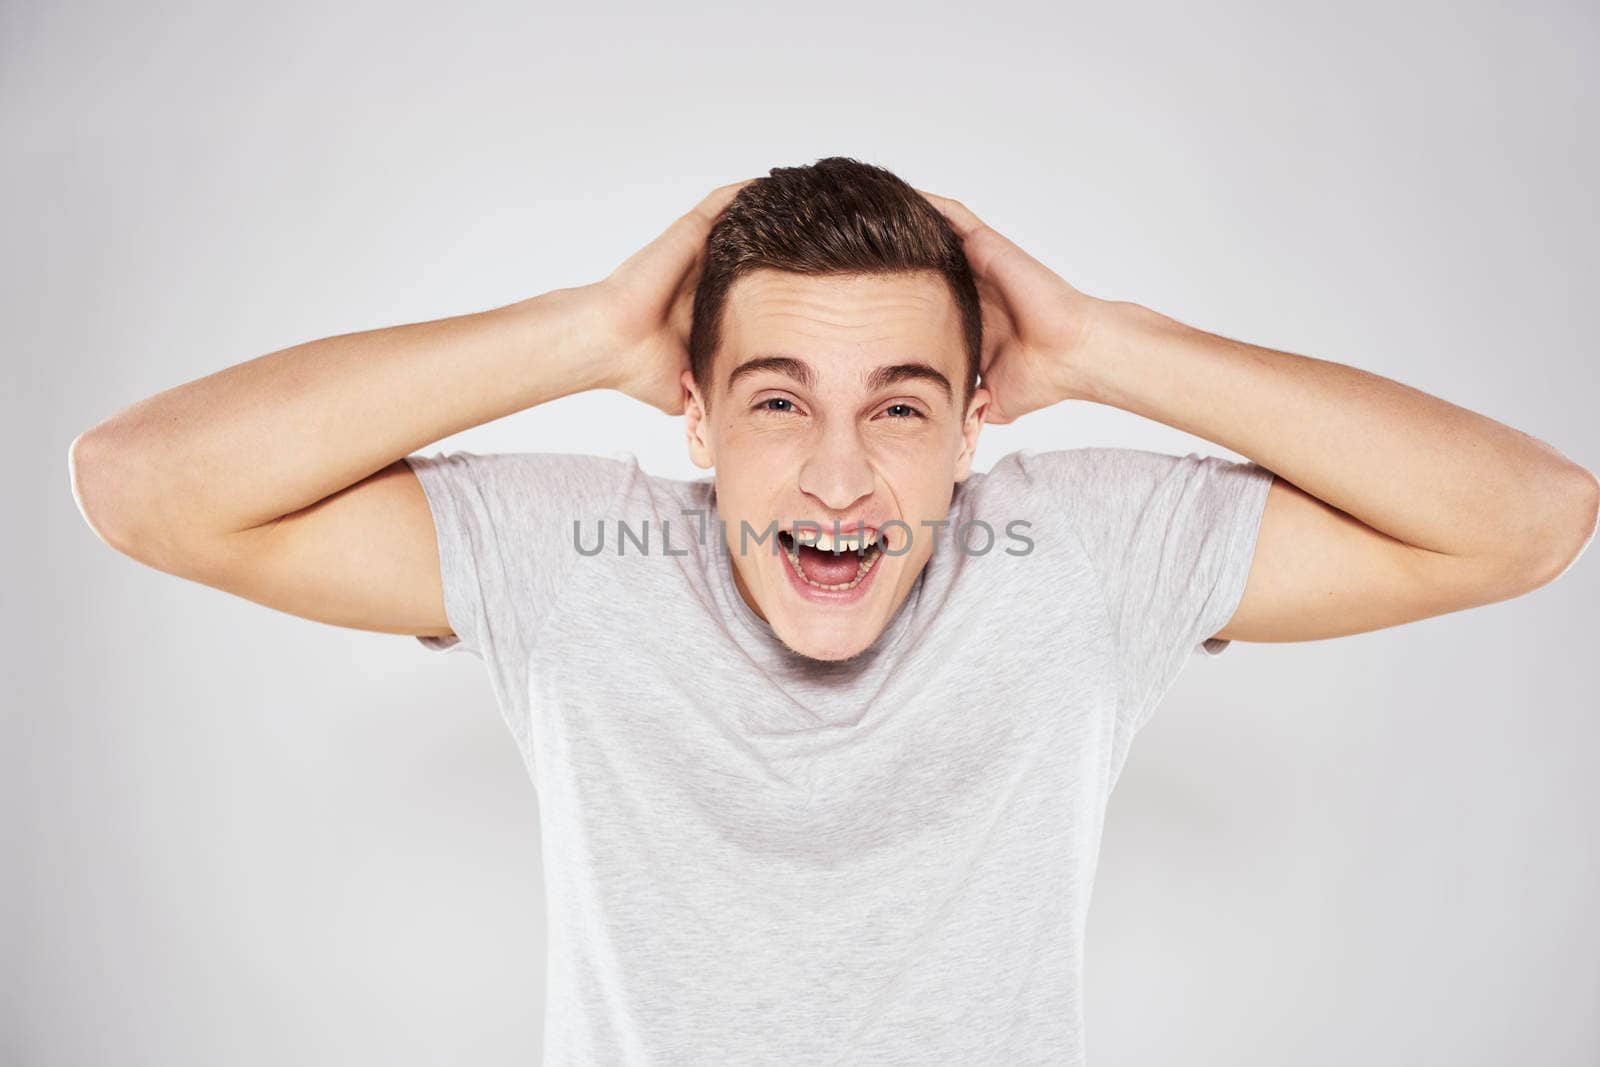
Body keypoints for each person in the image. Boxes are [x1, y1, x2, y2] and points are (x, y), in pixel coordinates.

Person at [68, 157, 1598, 1064]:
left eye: (904, 407)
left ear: (980, 419)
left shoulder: (1085, 557)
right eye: (778, 398)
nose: (841, 476)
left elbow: (1531, 521)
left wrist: (1108, 345)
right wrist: (588, 328)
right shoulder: (565, 563)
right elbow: (145, 483)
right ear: (696, 415)